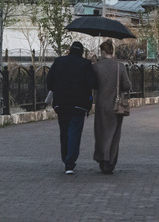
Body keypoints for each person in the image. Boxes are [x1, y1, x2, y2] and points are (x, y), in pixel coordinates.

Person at [46, 41, 97, 175]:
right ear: (81, 52)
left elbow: (49, 81)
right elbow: (93, 83)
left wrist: (57, 89)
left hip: (61, 103)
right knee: (74, 132)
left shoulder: (59, 62)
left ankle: (66, 159)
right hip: (78, 105)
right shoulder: (85, 64)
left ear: (69, 51)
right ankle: (70, 162)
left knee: (64, 131)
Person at [92, 39, 131, 174]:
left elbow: (92, 84)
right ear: (112, 51)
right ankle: (110, 162)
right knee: (114, 134)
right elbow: (127, 86)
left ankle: (102, 158)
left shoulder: (96, 66)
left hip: (101, 105)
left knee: (101, 132)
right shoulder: (120, 66)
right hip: (116, 105)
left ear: (103, 52)